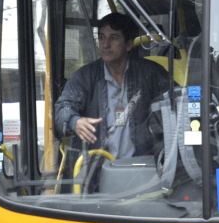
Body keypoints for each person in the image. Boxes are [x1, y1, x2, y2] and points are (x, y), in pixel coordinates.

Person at [53, 12, 167, 158]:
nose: (105, 44)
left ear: (128, 44)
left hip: (143, 169)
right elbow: (62, 109)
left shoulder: (150, 73)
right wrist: (74, 121)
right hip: (97, 171)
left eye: (113, 38)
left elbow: (177, 103)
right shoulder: (85, 76)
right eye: (102, 37)